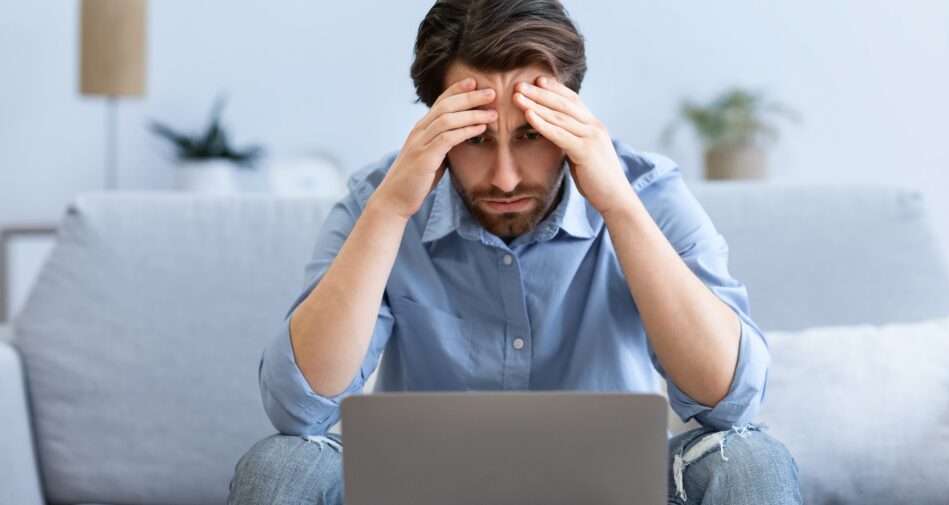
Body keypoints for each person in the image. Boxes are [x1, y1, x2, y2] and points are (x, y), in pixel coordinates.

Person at [229, 0, 801, 503]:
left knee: (750, 460)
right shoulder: (379, 199)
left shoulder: (647, 192)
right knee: (283, 465)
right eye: (475, 139)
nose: (504, 179)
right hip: (422, 490)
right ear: (435, 125)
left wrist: (621, 210)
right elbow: (298, 412)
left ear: (571, 114)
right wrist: (389, 212)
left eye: (531, 134)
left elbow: (730, 407)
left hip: (615, 493)